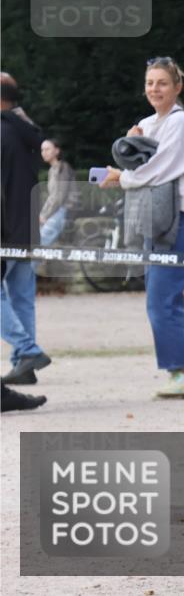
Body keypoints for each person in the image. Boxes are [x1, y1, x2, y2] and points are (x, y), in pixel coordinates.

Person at [100, 58, 184, 398]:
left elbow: (163, 167)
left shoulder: (180, 122)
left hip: (176, 215)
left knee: (160, 300)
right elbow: (136, 162)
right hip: (155, 215)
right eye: (149, 83)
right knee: (167, 297)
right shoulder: (148, 123)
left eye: (162, 83)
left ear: (177, 87)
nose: (154, 89)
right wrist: (129, 145)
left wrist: (124, 177)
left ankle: (181, 372)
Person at [1, 72, 52, 386]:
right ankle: (24, 366)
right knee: (22, 297)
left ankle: (27, 350)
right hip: (26, 225)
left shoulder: (3, 130)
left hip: (5, 227)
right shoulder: (25, 129)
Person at [38, 138, 77, 246]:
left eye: (47, 149)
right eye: (42, 150)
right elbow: (52, 197)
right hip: (57, 209)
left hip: (65, 209)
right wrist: (42, 214)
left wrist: (45, 215)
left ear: (56, 151)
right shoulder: (52, 170)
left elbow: (59, 196)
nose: (44, 152)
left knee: (40, 242)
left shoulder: (62, 168)